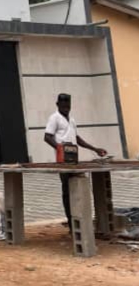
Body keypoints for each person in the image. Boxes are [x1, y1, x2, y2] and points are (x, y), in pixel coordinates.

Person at [44, 93, 107, 230]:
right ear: (57, 105)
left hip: (73, 159)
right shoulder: (54, 118)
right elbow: (47, 137)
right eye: (63, 106)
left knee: (77, 190)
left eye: (68, 106)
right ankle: (71, 223)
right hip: (62, 162)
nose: (66, 108)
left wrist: (95, 149)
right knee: (67, 191)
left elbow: (77, 139)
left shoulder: (71, 120)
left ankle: (79, 220)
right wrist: (60, 149)